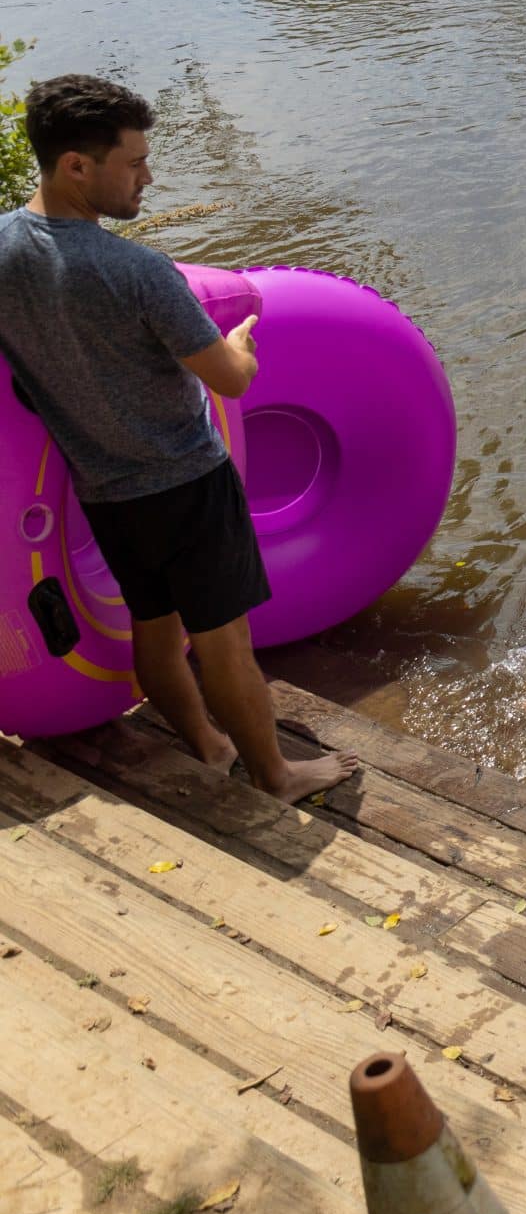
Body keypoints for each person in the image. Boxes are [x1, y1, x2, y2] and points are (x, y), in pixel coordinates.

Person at [0, 76, 359, 802]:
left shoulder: (5, 250)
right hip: (188, 481)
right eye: (133, 162)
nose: (148, 175)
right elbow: (228, 380)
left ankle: (204, 741)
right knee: (226, 641)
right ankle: (276, 773)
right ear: (76, 165)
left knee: (155, 630)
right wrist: (243, 340)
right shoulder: (137, 271)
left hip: (103, 487)